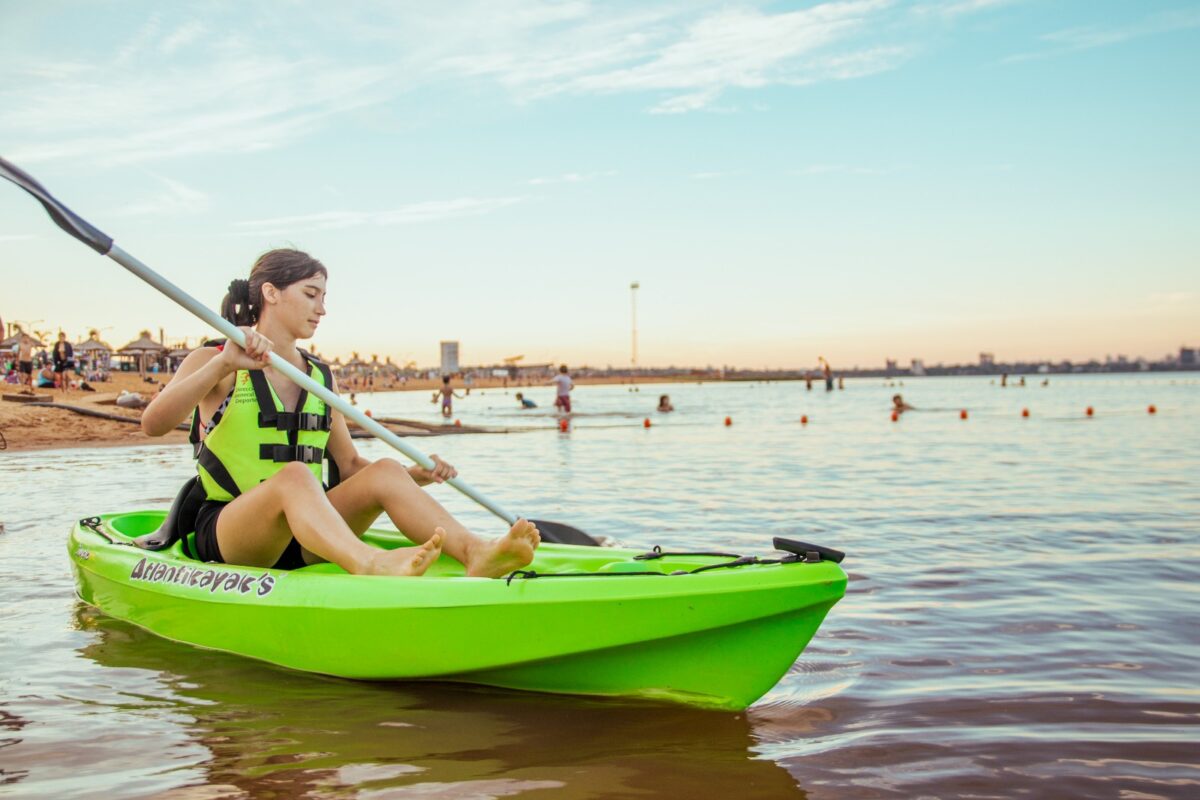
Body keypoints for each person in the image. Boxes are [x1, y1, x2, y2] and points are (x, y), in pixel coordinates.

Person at [140, 248, 539, 578]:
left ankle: (475, 553)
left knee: (384, 469)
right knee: (295, 475)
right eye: (311, 294)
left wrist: (411, 475)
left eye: (324, 297)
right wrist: (224, 364)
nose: (322, 309)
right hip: (234, 533)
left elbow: (349, 466)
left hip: (308, 534)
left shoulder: (319, 376)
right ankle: (368, 563)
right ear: (271, 293)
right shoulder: (216, 359)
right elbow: (153, 424)